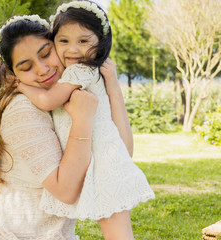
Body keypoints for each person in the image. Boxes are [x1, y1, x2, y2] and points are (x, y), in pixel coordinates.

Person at [16, 1, 155, 239]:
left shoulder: (81, 71)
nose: (73, 50)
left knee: (118, 234)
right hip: (101, 161)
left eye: (83, 41)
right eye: (64, 41)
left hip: (104, 164)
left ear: (100, 42)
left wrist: (20, 85)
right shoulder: (80, 73)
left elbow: (48, 101)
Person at [0, 15, 99, 239]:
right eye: (26, 67)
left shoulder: (63, 98)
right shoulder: (22, 108)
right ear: (14, 75)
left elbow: (123, 153)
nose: (42, 69)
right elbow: (65, 191)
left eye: (45, 53)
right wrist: (83, 121)